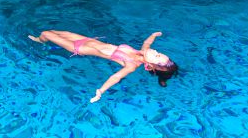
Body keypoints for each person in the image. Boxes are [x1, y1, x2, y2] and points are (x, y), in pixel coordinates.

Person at [28, 30, 178, 102]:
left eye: (157, 55)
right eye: (159, 52)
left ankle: (40, 41)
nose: (156, 51)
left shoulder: (131, 65)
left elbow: (116, 77)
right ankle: (41, 39)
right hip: (85, 39)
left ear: (152, 66)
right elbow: (147, 43)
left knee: (46, 33)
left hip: (78, 48)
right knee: (54, 31)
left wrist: (100, 91)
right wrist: (154, 35)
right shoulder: (143, 52)